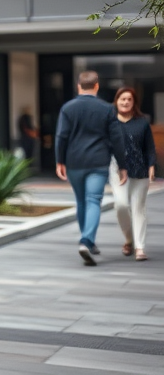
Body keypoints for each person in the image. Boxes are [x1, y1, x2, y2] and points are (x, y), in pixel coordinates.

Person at [55, 70, 128, 266]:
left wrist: (59, 160)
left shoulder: (68, 108)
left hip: (74, 162)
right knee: (94, 200)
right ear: (96, 86)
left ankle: (87, 241)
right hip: (98, 162)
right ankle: (87, 241)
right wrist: (122, 166)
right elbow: (117, 140)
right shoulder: (107, 109)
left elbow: (61, 136)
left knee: (81, 202)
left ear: (79, 86)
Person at [109, 86, 156, 261]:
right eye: (123, 99)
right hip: (117, 170)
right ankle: (128, 238)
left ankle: (140, 247)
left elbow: (149, 147)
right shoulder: (111, 122)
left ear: (134, 102)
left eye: (129, 99)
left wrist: (151, 166)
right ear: (117, 101)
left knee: (138, 208)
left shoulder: (142, 122)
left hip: (140, 170)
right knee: (121, 205)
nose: (126, 102)